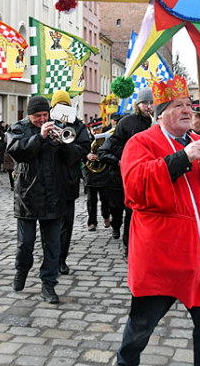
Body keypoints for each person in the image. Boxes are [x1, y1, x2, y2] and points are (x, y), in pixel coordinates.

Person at [115, 76, 200, 366]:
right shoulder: (141, 142)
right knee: (141, 327)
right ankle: (125, 362)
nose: (188, 111)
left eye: (189, 105)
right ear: (161, 113)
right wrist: (182, 158)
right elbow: (136, 186)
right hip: (161, 255)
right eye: (178, 106)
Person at [6, 95, 75, 304]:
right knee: (25, 243)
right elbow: (16, 151)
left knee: (52, 245)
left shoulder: (59, 127)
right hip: (27, 195)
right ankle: (22, 270)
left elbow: (72, 157)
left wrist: (63, 144)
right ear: (29, 115)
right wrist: (40, 137)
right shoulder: (18, 128)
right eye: (38, 116)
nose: (43, 119)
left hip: (54, 195)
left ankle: (48, 284)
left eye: (45, 115)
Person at [98, 87, 154, 258]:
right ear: (138, 105)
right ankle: (117, 228)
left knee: (134, 211)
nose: (149, 107)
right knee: (118, 207)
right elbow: (114, 145)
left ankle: (129, 245)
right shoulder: (127, 122)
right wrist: (130, 155)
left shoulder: (157, 121)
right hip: (125, 172)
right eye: (145, 103)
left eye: (151, 103)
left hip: (146, 173)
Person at [50, 91, 90, 276]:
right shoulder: (47, 122)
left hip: (68, 181)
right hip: (49, 181)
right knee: (49, 222)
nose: (62, 109)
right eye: (59, 106)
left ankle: (61, 259)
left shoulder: (78, 125)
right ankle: (49, 257)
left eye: (65, 105)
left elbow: (83, 149)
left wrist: (65, 143)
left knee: (66, 223)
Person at [84, 115, 117, 232]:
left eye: (98, 129)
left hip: (104, 173)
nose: (96, 132)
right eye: (94, 130)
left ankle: (106, 216)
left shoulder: (107, 139)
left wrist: (104, 150)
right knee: (91, 200)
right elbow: (81, 150)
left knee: (106, 198)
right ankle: (92, 222)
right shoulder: (86, 139)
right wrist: (87, 155)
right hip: (90, 174)